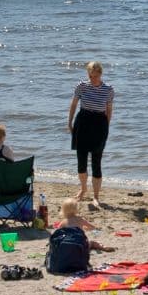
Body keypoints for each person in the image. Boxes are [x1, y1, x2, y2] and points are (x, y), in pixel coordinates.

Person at [66, 61, 113, 201]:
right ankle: (83, 188)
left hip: (100, 123)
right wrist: (69, 122)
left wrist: (106, 127)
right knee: (81, 159)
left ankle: (96, 196)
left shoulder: (108, 89)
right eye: (91, 76)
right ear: (88, 74)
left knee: (96, 161)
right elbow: (74, 104)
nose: (93, 79)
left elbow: (109, 109)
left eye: (96, 76)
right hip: (83, 121)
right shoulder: (82, 86)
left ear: (100, 74)